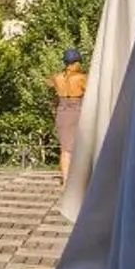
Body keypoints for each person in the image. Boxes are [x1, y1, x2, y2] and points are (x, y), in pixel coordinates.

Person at [51, 47, 88, 178]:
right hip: (77, 109)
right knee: (82, 143)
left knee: (65, 148)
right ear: (77, 62)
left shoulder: (57, 77)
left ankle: (66, 179)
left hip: (62, 111)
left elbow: (49, 84)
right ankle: (79, 177)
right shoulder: (82, 78)